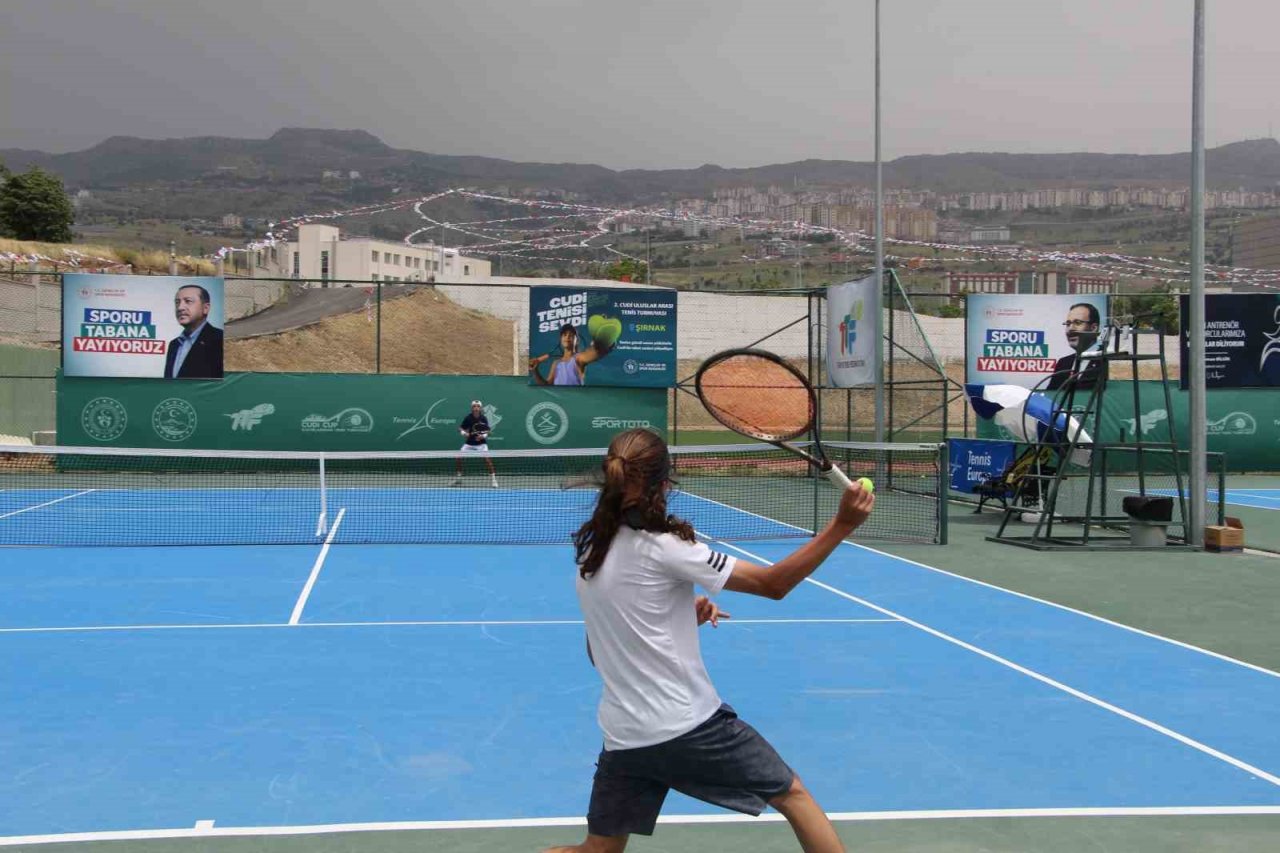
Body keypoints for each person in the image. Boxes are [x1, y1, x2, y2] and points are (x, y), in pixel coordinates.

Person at [543, 428, 875, 853]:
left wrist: (679, 619)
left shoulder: (593, 555)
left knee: (597, 851)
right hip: (686, 726)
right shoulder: (666, 548)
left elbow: (600, 652)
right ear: (664, 483)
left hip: (625, 738)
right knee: (792, 795)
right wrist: (843, 524)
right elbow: (774, 584)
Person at [164, 284, 224, 379]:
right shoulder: (174, 344)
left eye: (188, 301)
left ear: (205, 308)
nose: (180, 307)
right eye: (177, 302)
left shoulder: (219, 340)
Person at [529, 323, 612, 386]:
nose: (567, 337)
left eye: (571, 335)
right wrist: (535, 371)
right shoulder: (556, 363)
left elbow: (597, 352)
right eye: (564, 335)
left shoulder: (579, 358)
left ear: (577, 341)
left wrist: (603, 342)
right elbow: (546, 386)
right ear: (561, 339)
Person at [1046, 302, 1103, 393]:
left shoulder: (1107, 362)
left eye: (1077, 322)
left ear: (1093, 328)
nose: (1070, 328)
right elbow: (1050, 396)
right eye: (1068, 324)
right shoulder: (1063, 363)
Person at [452, 400, 497, 487]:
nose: (476, 408)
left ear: (480, 408)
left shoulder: (483, 418)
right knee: (458, 458)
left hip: (481, 444)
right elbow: (460, 428)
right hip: (469, 443)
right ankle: (459, 478)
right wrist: (464, 433)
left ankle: (494, 480)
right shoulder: (468, 418)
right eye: (474, 406)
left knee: (488, 460)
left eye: (478, 406)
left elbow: (487, 431)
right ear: (472, 408)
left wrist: (482, 436)